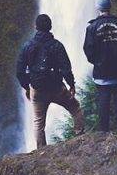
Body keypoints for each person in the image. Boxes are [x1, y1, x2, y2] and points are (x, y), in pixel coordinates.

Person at [16, 13, 85, 148]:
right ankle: (80, 137)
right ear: (50, 27)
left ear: (35, 27)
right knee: (76, 108)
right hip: (57, 88)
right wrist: (71, 85)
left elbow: (19, 71)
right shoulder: (57, 45)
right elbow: (66, 69)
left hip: (37, 89)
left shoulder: (27, 46)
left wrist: (27, 87)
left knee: (38, 122)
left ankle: (41, 150)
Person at [83, 0, 117, 133]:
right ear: (110, 6)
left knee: (103, 100)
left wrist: (96, 61)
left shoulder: (92, 27)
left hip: (101, 71)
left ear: (97, 8)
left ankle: (103, 131)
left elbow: (88, 49)